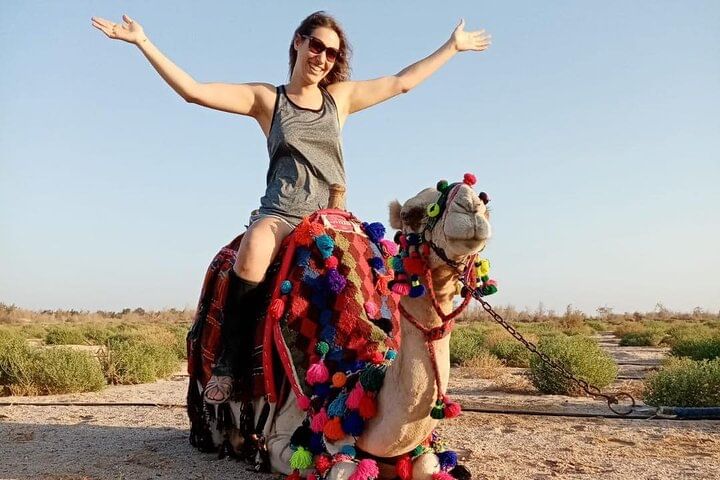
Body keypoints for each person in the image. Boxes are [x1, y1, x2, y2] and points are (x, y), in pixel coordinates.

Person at [91, 11, 491, 404]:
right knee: (254, 248)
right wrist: (142, 41)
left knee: (379, 271)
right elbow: (193, 91)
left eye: (332, 53)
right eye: (316, 46)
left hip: (333, 218)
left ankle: (384, 373)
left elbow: (401, 82)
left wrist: (451, 47)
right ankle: (228, 364)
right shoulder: (268, 99)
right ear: (298, 42)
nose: (322, 57)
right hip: (282, 214)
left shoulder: (340, 98)